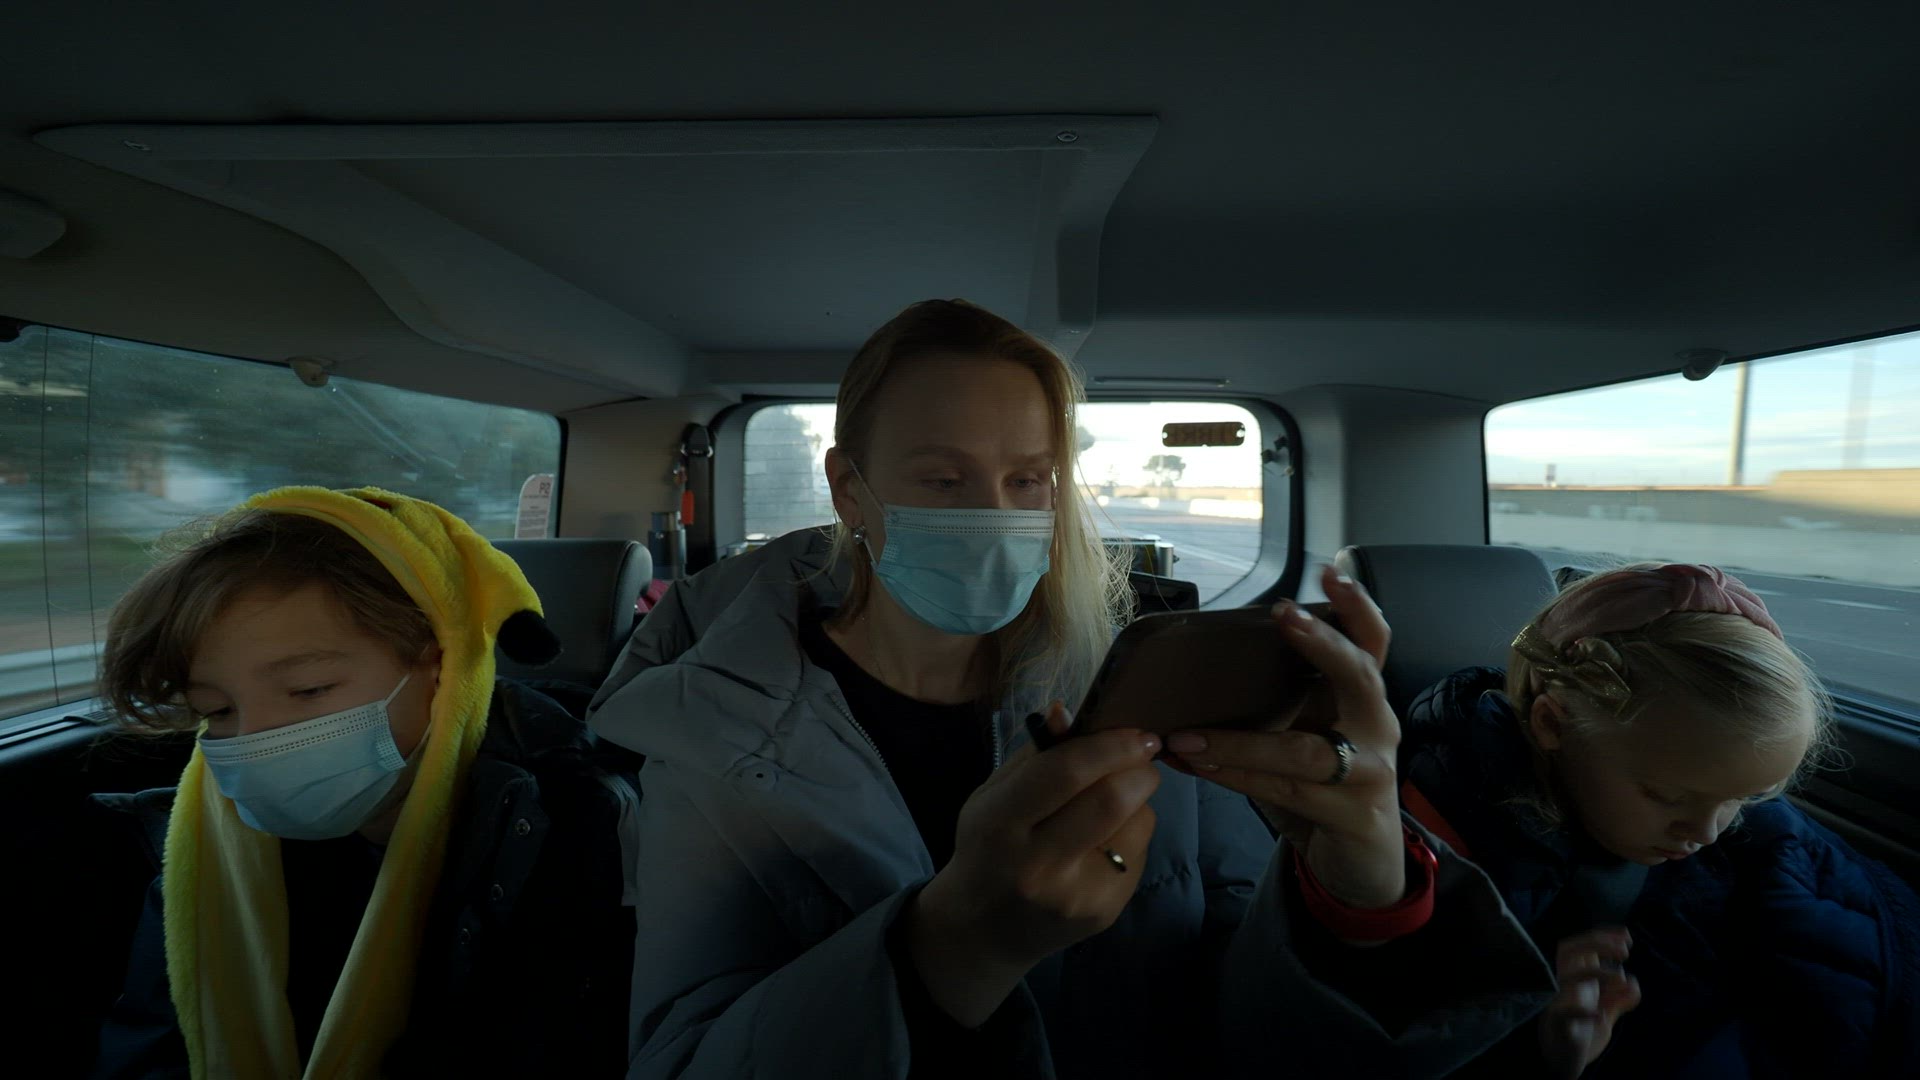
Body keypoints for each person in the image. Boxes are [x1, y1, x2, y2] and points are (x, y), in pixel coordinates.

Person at [588, 298, 1555, 1078]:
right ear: (850, 490)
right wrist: (951, 949)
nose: (996, 514)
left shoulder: (1139, 687)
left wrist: (1356, 891)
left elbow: (1240, 1019)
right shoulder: (709, 727)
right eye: (944, 481)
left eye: (1029, 480)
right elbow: (679, 1058)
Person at [89, 487, 637, 1079]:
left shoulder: (577, 825)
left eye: (309, 690)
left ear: (441, 663)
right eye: (217, 710)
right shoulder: (201, 853)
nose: (256, 736)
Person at [1401, 563, 1920, 1078]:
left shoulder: (1750, 821)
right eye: (1667, 796)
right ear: (1553, 725)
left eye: (1746, 797)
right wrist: (1536, 1049)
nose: (1707, 832)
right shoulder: (1445, 852)